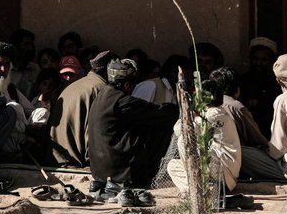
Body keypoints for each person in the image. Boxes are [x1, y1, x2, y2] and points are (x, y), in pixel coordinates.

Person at [89, 58, 179, 200]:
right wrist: (181, 109)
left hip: (100, 170)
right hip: (115, 169)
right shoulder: (121, 101)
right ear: (126, 84)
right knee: (161, 125)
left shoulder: (103, 94)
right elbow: (156, 112)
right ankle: (148, 176)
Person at [166, 78, 240, 195]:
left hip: (224, 172)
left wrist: (189, 114)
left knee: (183, 141)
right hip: (212, 169)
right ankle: (201, 189)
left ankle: (198, 189)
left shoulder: (214, 113)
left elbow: (182, 131)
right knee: (172, 166)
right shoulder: (209, 113)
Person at [210, 67, 285, 181]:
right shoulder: (235, 107)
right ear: (237, 90)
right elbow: (257, 139)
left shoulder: (204, 105)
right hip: (232, 160)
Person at [48, 50, 116, 167]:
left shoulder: (79, 86)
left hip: (57, 160)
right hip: (76, 163)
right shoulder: (102, 89)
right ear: (110, 72)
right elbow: (96, 132)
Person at [0, 41, 36, 157]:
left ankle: (26, 147)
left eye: (7, 64)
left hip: (19, 137)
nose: (3, 69)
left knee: (42, 111)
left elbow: (31, 111)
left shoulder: (10, 88)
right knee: (13, 107)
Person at [240, 37, 280, 138]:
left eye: (263, 60)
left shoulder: (276, 82)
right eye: (255, 58)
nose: (258, 63)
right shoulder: (243, 79)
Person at [8, 29, 40, 100]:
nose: (30, 48)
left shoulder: (35, 69)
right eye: (26, 45)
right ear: (15, 47)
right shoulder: (5, 70)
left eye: (31, 44)